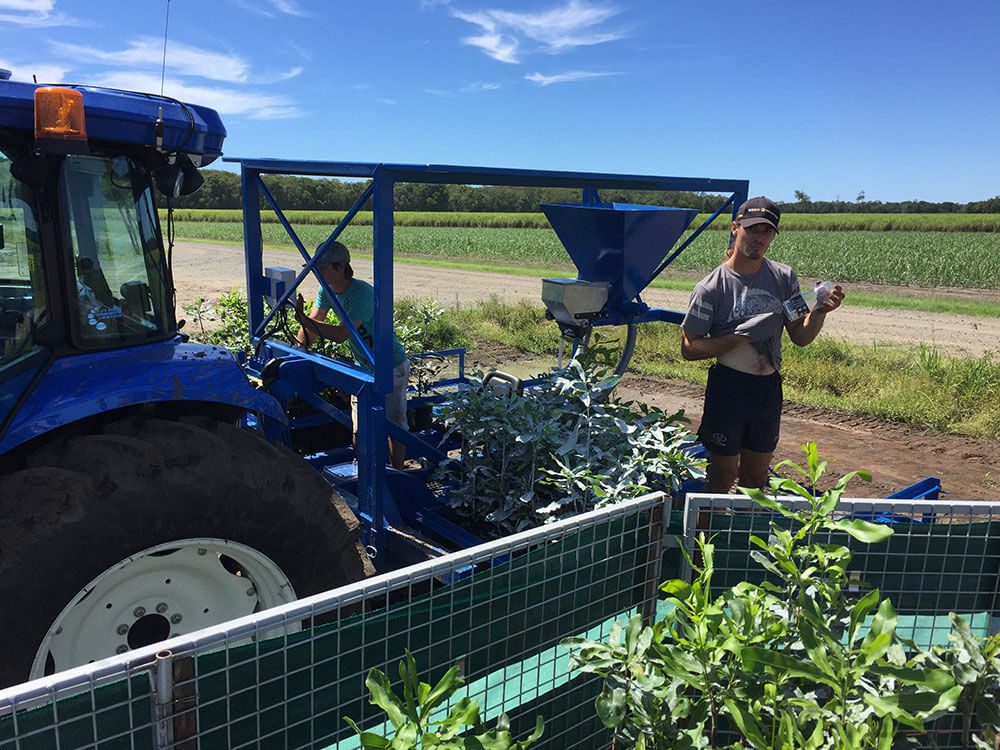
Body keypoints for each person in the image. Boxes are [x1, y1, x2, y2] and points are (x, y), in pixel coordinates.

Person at [680, 197, 844, 493]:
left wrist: (819, 312)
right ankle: (702, 537)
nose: (759, 238)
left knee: (756, 479)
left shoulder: (783, 277)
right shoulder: (712, 287)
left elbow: (800, 337)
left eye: (766, 232)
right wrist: (741, 337)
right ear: (735, 228)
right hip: (729, 389)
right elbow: (689, 348)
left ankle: (745, 536)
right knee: (722, 477)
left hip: (767, 391)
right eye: (752, 229)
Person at [294, 241, 410, 469]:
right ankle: (364, 472)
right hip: (363, 368)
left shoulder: (362, 294)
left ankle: (398, 471)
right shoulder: (325, 291)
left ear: (340, 266)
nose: (316, 273)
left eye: (322, 268)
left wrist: (303, 319)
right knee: (360, 428)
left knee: (394, 425)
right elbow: (313, 324)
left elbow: (340, 334)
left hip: (390, 366)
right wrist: (297, 348)